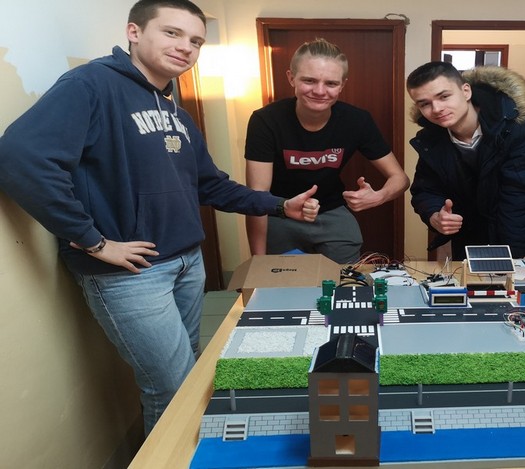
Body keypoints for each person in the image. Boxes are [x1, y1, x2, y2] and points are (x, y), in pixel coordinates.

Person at [0, 0, 320, 435]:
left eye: (196, 41)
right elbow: (21, 158)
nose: (186, 47)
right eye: (172, 33)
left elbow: (210, 185)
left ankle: (194, 450)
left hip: (186, 262)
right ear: (134, 32)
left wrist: (280, 205)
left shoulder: (176, 112)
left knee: (188, 371)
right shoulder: (91, 85)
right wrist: (91, 240)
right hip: (132, 274)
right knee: (170, 388)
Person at [244, 38, 409, 264]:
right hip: (280, 211)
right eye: (309, 80)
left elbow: (400, 178)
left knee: (344, 280)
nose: (320, 91)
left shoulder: (357, 120)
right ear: (291, 78)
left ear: (342, 85)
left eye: (331, 83)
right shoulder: (266, 120)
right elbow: (257, 196)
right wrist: (258, 262)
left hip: (331, 210)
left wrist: (378, 196)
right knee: (282, 282)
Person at [406, 61, 525, 265]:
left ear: (466, 91)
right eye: (424, 104)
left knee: (512, 283)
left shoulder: (521, 126)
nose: (437, 108)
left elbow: (521, 197)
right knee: (468, 284)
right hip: (467, 239)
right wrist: (434, 215)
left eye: (444, 96)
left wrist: (516, 257)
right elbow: (426, 189)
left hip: (517, 236)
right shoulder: (431, 139)